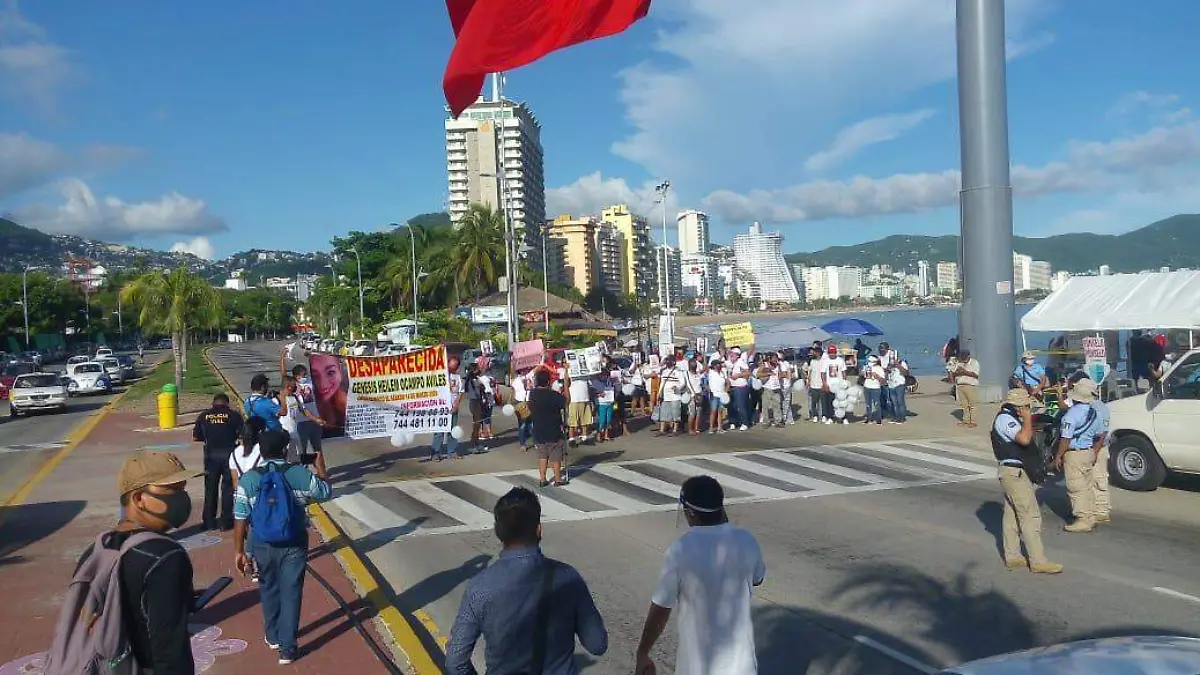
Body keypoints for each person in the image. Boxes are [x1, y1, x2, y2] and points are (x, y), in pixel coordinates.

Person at [444, 487, 607, 674]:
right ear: (538, 529)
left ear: (498, 531)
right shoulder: (568, 577)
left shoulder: (479, 587)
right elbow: (598, 644)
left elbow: (455, 662)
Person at [65, 452, 203, 673]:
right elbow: (169, 651)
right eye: (172, 491)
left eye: (183, 489)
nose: (182, 498)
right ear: (139, 498)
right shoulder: (165, 556)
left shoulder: (99, 548)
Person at [635, 475, 765, 675]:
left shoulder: (680, 550)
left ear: (691, 513)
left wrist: (643, 651)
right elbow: (757, 579)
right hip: (743, 667)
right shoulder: (746, 540)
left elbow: (661, 609)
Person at [233, 429, 332, 664]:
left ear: (262, 451)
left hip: (261, 542)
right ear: (285, 450)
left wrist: (239, 550)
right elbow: (326, 492)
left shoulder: (249, 479)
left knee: (268, 587)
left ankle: (272, 634)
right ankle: (287, 648)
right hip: (294, 541)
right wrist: (321, 467)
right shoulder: (298, 474)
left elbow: (240, 517)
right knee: (291, 591)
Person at [991, 389, 1063, 574]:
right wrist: (1028, 418)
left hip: (1012, 473)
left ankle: (1013, 555)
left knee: (1012, 515)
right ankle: (1038, 560)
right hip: (1014, 473)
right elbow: (1024, 439)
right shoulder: (1005, 420)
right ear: (1020, 407)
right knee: (1029, 516)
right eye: (1026, 406)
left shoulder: (1007, 418)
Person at [1053, 378, 1107, 533]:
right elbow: (1101, 434)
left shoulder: (1071, 415)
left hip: (1074, 454)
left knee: (1076, 487)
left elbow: (1066, 438)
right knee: (1087, 485)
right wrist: (1095, 451)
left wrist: (1058, 456)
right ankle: (1091, 515)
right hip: (1089, 451)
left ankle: (1083, 519)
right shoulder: (1094, 412)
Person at [192, 393, 244, 531]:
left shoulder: (204, 416)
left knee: (210, 489)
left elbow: (195, 437)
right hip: (229, 455)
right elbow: (242, 434)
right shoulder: (234, 415)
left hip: (211, 456)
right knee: (227, 489)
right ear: (227, 403)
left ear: (213, 403)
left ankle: (209, 522)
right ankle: (225, 522)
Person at [529, 369, 569, 486]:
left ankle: (542, 478)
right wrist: (566, 384)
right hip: (554, 428)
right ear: (548, 382)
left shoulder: (533, 394)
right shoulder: (553, 395)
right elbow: (566, 402)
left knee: (542, 454)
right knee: (555, 454)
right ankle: (557, 479)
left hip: (538, 428)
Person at [284, 361, 326, 468]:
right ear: (296, 376)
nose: (304, 377)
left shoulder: (310, 382)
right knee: (301, 451)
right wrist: (283, 358)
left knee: (318, 449)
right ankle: (303, 472)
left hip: (314, 420)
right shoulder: (293, 387)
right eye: (302, 375)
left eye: (305, 374)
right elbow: (283, 375)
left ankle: (321, 471)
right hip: (301, 423)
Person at [432, 355, 464, 461]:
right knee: (439, 432)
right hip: (441, 409)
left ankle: (452, 451)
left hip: (453, 409)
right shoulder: (440, 376)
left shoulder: (458, 378)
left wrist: (456, 405)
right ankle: (436, 452)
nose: (453, 367)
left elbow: (460, 392)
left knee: (453, 431)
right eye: (451, 364)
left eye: (455, 365)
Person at [309, 353, 348, 429]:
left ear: (340, 369)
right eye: (315, 375)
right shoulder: (311, 399)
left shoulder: (348, 398)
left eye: (331, 373)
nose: (323, 385)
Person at [951, 349, 982, 428]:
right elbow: (953, 372)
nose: (963, 358)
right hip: (960, 385)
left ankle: (973, 421)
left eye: (964, 357)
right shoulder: (959, 363)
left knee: (972, 405)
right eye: (962, 356)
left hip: (970, 385)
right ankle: (966, 420)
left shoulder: (974, 363)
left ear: (968, 356)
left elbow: (976, 375)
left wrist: (964, 371)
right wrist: (957, 372)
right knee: (964, 405)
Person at [656, 356, 684, 436]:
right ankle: (662, 430)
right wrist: (659, 393)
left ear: (673, 361)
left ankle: (675, 430)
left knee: (675, 413)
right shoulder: (664, 371)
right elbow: (662, 383)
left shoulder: (678, 371)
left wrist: (677, 387)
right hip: (665, 395)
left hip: (675, 396)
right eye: (666, 360)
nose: (667, 362)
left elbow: (683, 382)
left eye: (669, 360)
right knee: (664, 413)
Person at [566, 369, 594, 443]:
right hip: (574, 399)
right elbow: (566, 383)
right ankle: (572, 438)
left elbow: (590, 380)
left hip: (585, 398)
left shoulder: (585, 370)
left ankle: (584, 437)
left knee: (585, 419)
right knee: (572, 420)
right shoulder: (569, 371)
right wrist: (566, 369)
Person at [511, 368, 535, 450]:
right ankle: (522, 444)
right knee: (522, 424)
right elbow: (514, 391)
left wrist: (530, 385)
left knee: (532, 424)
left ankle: (535, 442)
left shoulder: (529, 378)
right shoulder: (516, 381)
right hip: (520, 403)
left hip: (529, 402)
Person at [728, 348, 751, 431]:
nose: (731, 355)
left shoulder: (741, 362)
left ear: (737, 355)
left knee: (741, 406)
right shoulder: (730, 363)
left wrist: (738, 375)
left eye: (732, 354)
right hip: (732, 387)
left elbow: (748, 372)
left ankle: (744, 423)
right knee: (731, 406)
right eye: (730, 353)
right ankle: (733, 422)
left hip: (740, 387)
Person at [861, 355, 887, 425]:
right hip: (866, 387)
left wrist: (876, 376)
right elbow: (862, 375)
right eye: (868, 361)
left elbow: (883, 381)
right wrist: (863, 373)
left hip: (875, 388)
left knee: (876, 403)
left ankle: (878, 419)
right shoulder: (866, 367)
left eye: (871, 361)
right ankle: (869, 418)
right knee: (868, 404)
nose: (869, 363)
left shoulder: (879, 369)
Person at [707, 359, 728, 433]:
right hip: (714, 395)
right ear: (714, 366)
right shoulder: (711, 373)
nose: (719, 365)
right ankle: (711, 428)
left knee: (720, 411)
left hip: (722, 395)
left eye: (719, 364)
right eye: (717, 364)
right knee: (713, 411)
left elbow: (727, 382)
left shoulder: (723, 372)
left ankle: (720, 428)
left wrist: (725, 391)